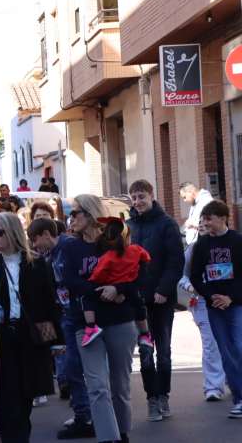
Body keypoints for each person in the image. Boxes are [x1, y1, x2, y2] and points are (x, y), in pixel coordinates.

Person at [62, 195, 137, 443]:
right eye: (70, 214)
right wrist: (98, 290)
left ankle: (123, 433)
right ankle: (109, 438)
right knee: (97, 386)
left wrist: (118, 289)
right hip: (85, 323)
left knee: (120, 386)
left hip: (119, 318)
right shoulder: (70, 247)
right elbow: (69, 281)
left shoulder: (115, 241)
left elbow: (135, 275)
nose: (71, 218)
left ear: (91, 214)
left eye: (75, 213)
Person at [0, 212, 59, 443]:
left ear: (13, 232)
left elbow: (50, 301)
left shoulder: (36, 262)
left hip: (30, 338)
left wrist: (58, 340)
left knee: (25, 397)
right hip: (1, 339)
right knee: (8, 401)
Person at [27, 218, 94, 439]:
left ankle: (86, 416)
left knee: (76, 368)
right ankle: (83, 413)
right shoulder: (49, 256)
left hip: (79, 316)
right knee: (68, 370)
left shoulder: (68, 247)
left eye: (35, 240)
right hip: (66, 316)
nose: (35, 246)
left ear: (47, 234)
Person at [126, 179, 184, 421]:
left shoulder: (167, 224)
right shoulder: (127, 226)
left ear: (151, 195)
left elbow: (175, 262)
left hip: (162, 299)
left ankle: (164, 396)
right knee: (146, 350)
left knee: (164, 350)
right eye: (134, 198)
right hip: (138, 300)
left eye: (142, 196)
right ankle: (151, 398)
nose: (138, 202)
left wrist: (163, 289)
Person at [189, 199, 242, 419]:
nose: (205, 223)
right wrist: (211, 297)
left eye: (209, 219)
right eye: (203, 219)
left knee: (239, 347)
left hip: (236, 304)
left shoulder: (237, 241)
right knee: (226, 352)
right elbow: (194, 277)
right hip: (214, 306)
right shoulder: (201, 245)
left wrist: (231, 297)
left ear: (222, 218)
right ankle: (239, 399)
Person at [81, 217, 153, 350]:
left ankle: (90, 327)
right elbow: (147, 257)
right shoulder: (136, 250)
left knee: (87, 299)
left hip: (110, 294)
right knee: (139, 306)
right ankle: (145, 334)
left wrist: (97, 283)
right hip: (130, 290)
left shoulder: (108, 257)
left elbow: (98, 275)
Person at [180, 217, 227, 401]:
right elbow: (182, 275)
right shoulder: (193, 249)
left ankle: (233, 379)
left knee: (231, 342)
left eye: (208, 225)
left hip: (228, 301)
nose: (205, 229)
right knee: (210, 344)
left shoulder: (230, 244)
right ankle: (213, 387)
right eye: (201, 226)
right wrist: (191, 286)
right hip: (201, 302)